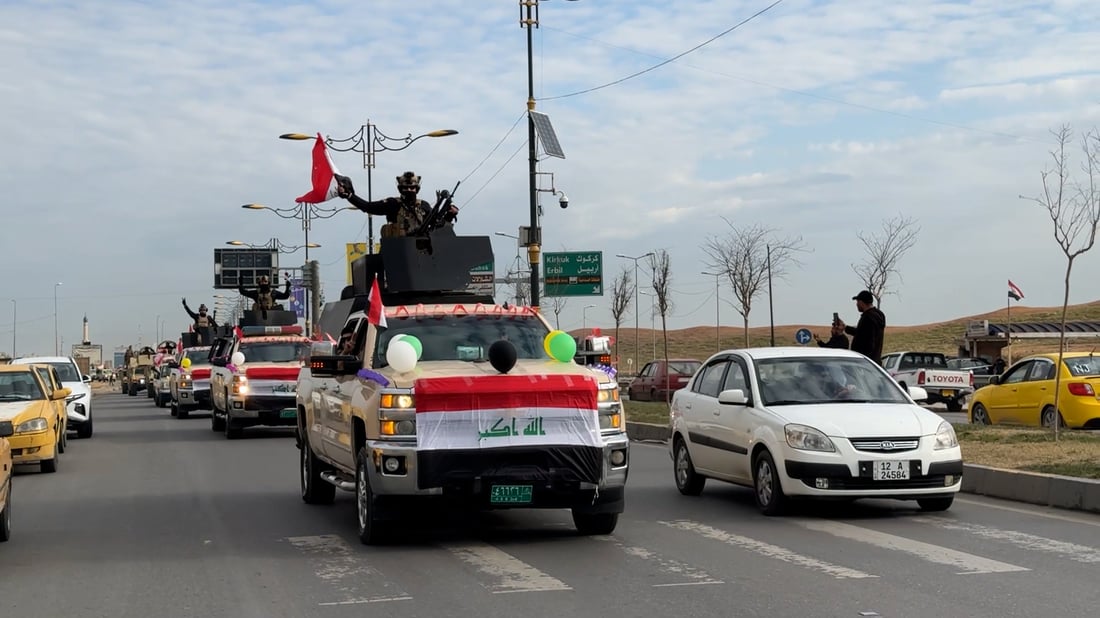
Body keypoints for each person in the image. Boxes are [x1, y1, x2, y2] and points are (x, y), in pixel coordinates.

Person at [335, 171, 458, 238]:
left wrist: (449, 215)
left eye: (412, 188)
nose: (409, 191)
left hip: (421, 252)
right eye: (406, 188)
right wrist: (349, 195)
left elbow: (436, 224)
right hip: (397, 251)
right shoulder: (392, 204)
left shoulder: (424, 206)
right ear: (400, 189)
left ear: (417, 189)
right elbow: (367, 207)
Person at [837, 290, 886, 366]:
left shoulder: (868, 317)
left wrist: (863, 360)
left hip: (866, 363)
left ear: (861, 302)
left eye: (857, 301)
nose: (856, 304)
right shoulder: (879, 315)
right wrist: (845, 327)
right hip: (874, 361)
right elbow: (861, 333)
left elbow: (869, 341)